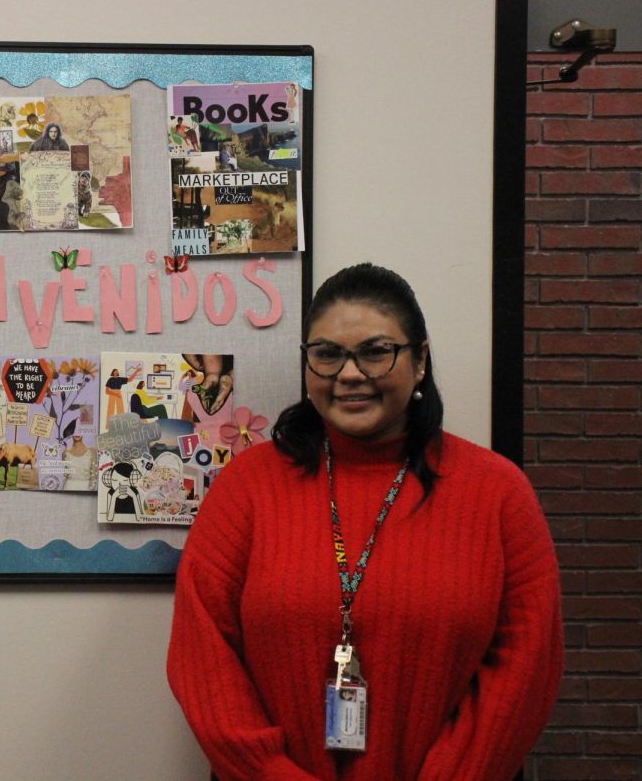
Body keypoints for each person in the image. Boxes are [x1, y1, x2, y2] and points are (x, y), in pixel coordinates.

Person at [167, 263, 562, 781]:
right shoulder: (247, 487)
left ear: (420, 360)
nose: (349, 373)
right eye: (327, 354)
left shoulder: (498, 493)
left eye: (376, 352)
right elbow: (203, 658)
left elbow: (526, 668)